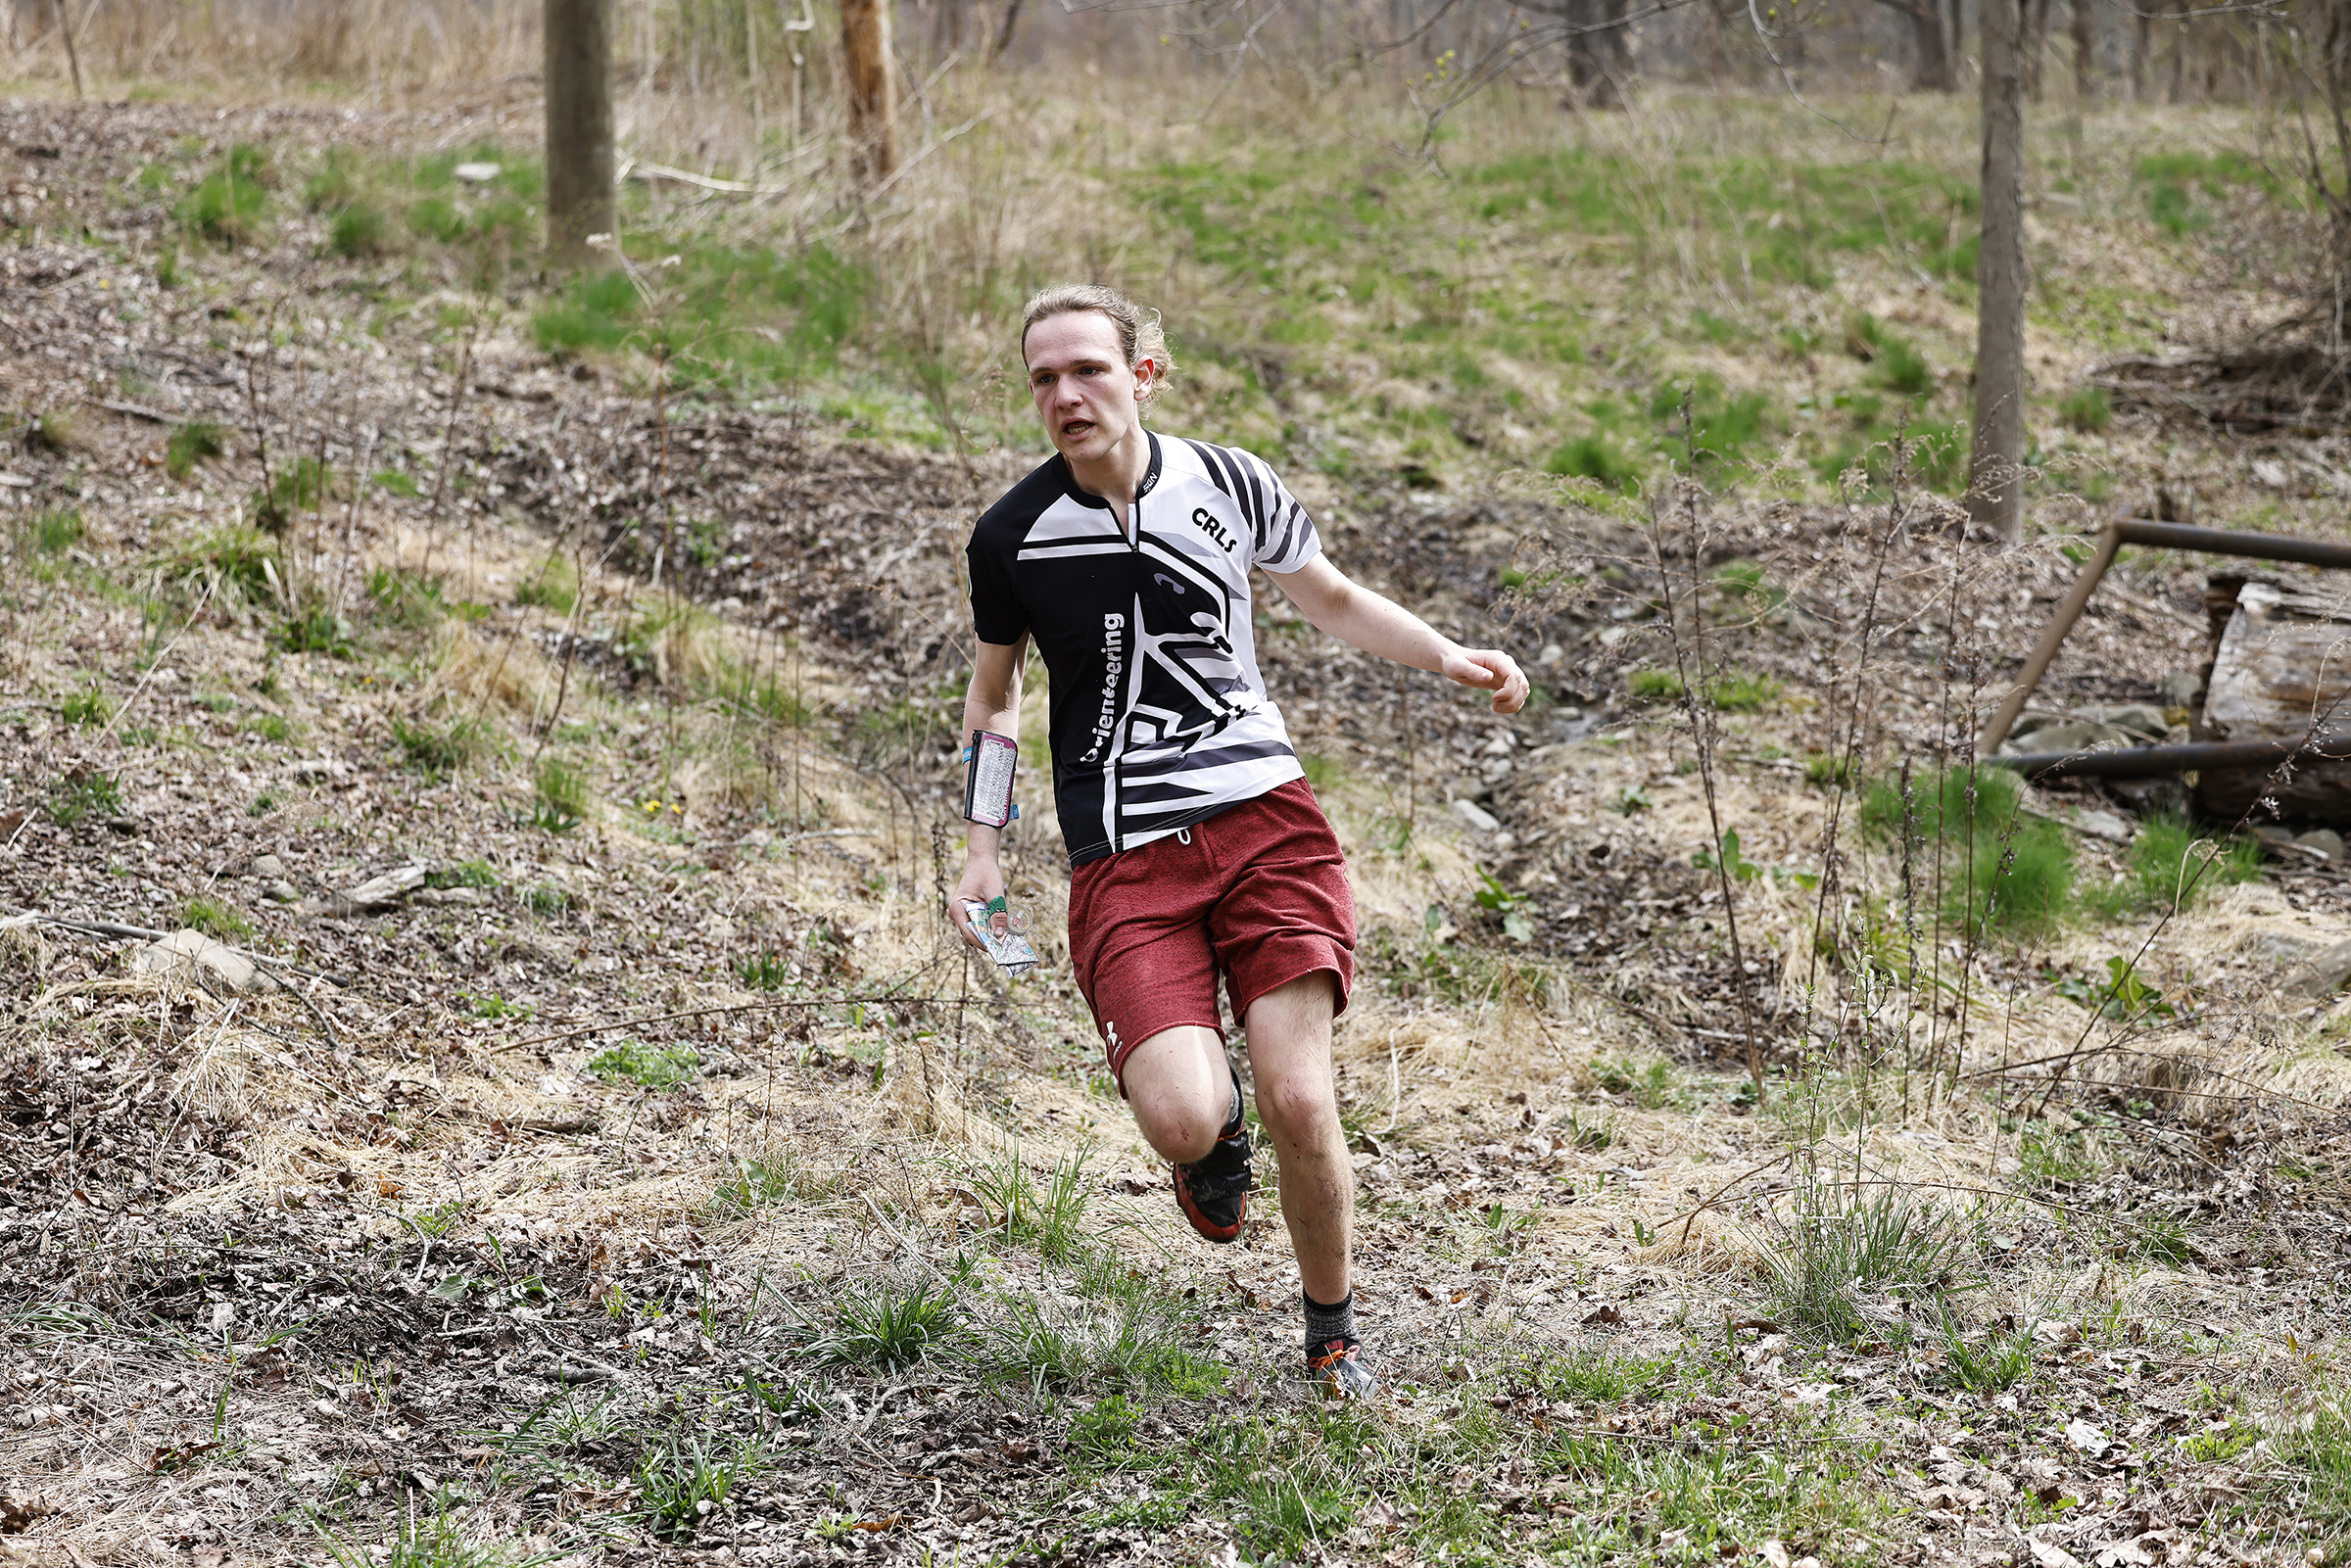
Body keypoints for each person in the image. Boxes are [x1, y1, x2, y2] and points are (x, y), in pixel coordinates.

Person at [952, 284, 1528, 1399]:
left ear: (1144, 373)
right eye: (1044, 377)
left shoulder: (1230, 483)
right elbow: (996, 697)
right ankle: (1213, 1149)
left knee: (1301, 1096)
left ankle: (1333, 1332)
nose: (1066, 395)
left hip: (1268, 822)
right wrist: (984, 846)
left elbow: (1334, 597)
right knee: (1182, 1110)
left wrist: (1447, 654)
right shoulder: (1013, 535)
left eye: (1089, 370)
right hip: (1126, 854)